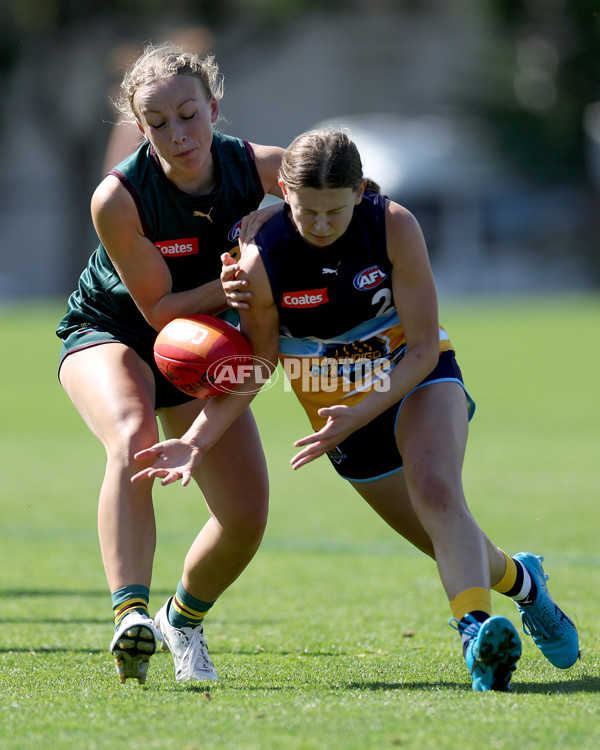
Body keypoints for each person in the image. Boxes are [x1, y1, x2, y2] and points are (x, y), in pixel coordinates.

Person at [132, 129, 579, 691]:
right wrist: (197, 438)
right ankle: (527, 585)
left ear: (362, 191)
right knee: (442, 536)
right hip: (331, 406)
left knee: (437, 489)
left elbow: (421, 346)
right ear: (283, 193)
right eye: (307, 211)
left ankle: (475, 638)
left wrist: (363, 408)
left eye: (335, 212)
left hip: (414, 373)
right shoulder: (260, 258)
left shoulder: (394, 224)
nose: (321, 225)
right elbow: (262, 360)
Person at [56, 42, 285, 685]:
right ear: (139, 127)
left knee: (246, 516)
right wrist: (241, 273)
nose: (177, 134)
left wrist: (277, 222)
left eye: (189, 115)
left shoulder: (258, 165)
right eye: (157, 124)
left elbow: (348, 194)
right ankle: (130, 613)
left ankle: (179, 618)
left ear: (214, 107)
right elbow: (160, 312)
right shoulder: (118, 198)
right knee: (133, 435)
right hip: (117, 331)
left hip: (205, 344)